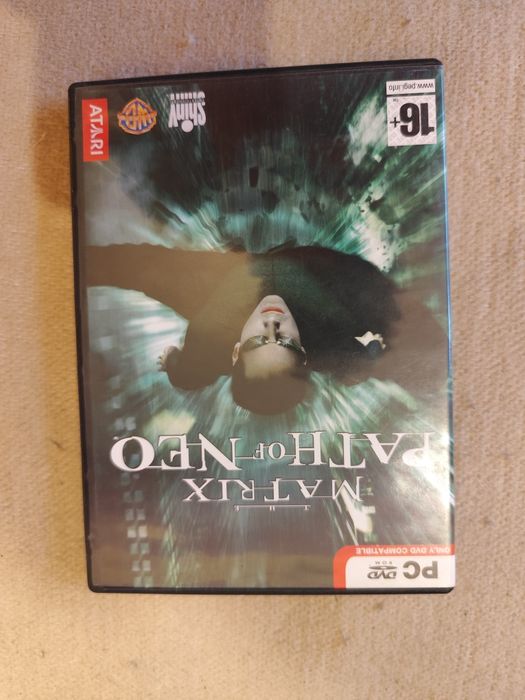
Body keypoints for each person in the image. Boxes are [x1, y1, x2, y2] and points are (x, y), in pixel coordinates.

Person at [86, 243, 447, 413]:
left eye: (259, 340)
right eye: (285, 340)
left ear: (234, 350)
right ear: (303, 350)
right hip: (318, 275)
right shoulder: (338, 331)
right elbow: (411, 348)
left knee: (137, 267)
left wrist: (172, 362)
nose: (273, 321)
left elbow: (189, 375)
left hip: (227, 277)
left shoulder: (208, 336)